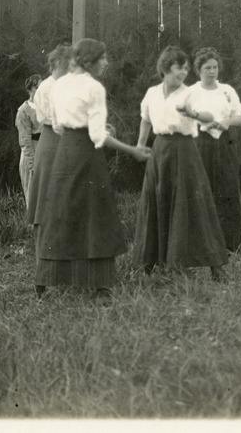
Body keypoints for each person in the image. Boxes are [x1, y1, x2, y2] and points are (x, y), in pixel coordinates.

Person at [35, 38, 150, 300]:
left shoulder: (58, 84)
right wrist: (133, 150)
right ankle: (100, 286)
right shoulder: (94, 88)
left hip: (64, 154)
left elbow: (57, 126)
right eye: (103, 59)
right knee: (95, 216)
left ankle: (46, 280)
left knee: (59, 213)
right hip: (87, 156)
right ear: (90, 61)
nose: (107, 63)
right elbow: (98, 136)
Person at [135, 46, 229, 280]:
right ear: (166, 68)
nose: (184, 73)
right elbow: (145, 120)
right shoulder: (152, 93)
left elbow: (209, 116)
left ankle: (216, 267)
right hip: (159, 151)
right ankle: (149, 264)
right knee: (155, 203)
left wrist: (193, 114)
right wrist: (140, 145)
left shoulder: (191, 93)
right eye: (180, 68)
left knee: (195, 207)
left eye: (187, 68)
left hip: (185, 151)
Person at [186, 47, 241, 252]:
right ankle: (200, 243)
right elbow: (183, 117)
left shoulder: (227, 91)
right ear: (198, 70)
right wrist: (202, 123)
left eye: (215, 67)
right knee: (201, 190)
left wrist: (225, 122)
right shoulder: (191, 92)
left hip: (224, 144)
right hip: (199, 144)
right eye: (207, 68)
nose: (212, 71)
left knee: (227, 188)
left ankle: (229, 244)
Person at [26, 44, 72, 227]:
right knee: (50, 187)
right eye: (67, 63)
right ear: (57, 63)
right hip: (52, 140)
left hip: (67, 140)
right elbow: (53, 118)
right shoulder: (46, 87)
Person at [14, 74, 43, 210]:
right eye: (37, 88)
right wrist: (32, 165)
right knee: (33, 198)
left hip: (45, 153)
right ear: (30, 89)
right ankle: (33, 230)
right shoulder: (23, 111)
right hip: (31, 154)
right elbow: (25, 141)